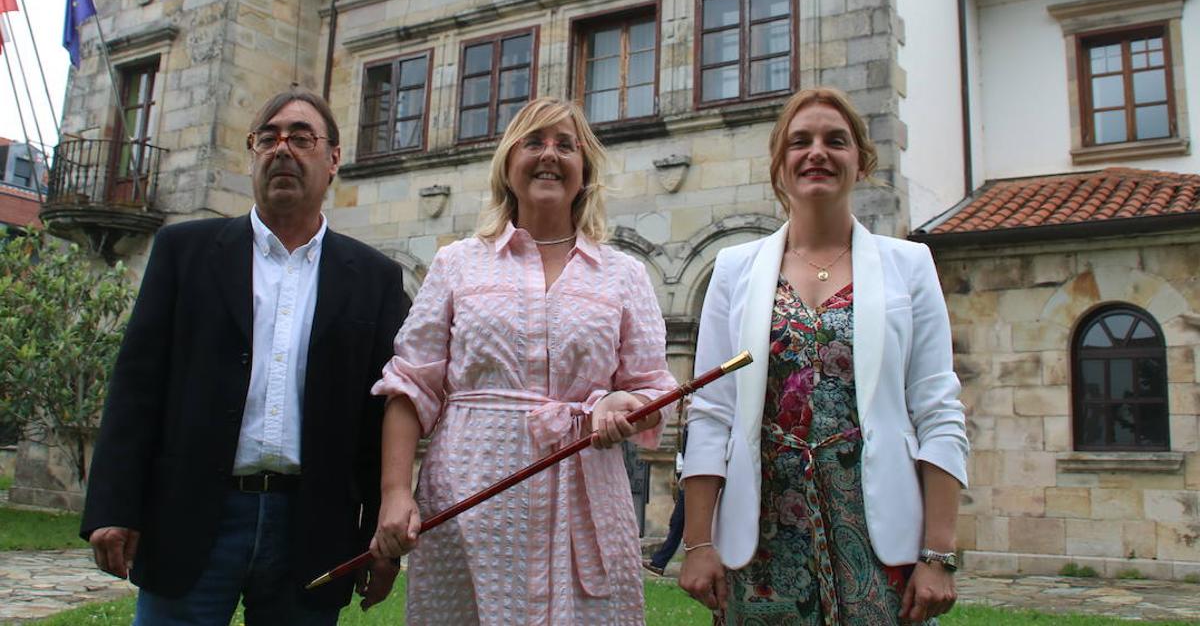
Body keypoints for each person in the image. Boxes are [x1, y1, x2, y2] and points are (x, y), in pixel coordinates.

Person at [81, 89, 409, 624]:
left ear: (333, 160)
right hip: (191, 515)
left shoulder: (373, 278)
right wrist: (113, 507)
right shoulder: (182, 254)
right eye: (268, 137)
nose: (283, 148)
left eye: (302, 138)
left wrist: (377, 529)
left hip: (310, 526)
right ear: (252, 154)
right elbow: (138, 386)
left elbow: (378, 417)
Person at [370, 97, 676, 625]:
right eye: (534, 142)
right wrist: (395, 493)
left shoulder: (623, 274)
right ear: (508, 164)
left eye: (566, 145)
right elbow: (410, 385)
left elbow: (654, 389)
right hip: (471, 492)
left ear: (585, 170)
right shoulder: (457, 263)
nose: (549, 155)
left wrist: (623, 402)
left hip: (585, 496)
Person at [679, 86, 968, 625]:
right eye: (799, 141)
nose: (817, 152)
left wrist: (939, 553)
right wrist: (698, 543)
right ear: (779, 165)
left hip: (879, 536)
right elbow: (711, 412)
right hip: (761, 535)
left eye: (836, 141)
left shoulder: (910, 265)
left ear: (861, 161)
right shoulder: (733, 270)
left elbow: (937, 409)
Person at [644, 423, 687, 576]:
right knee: (677, 523)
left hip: (690, 481)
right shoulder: (685, 428)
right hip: (685, 478)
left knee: (678, 523)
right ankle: (659, 562)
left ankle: (659, 562)